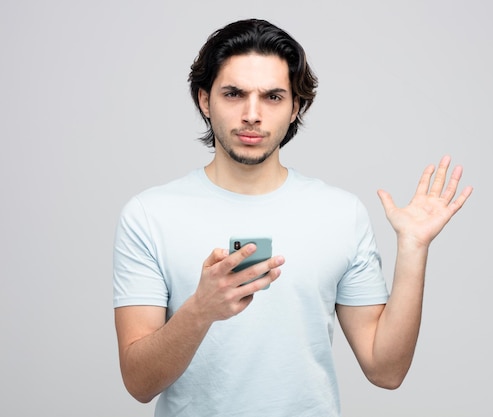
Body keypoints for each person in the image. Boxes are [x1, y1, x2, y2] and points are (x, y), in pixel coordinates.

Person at [113, 18, 472, 416]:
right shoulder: (150, 214)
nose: (252, 114)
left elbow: (385, 370)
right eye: (234, 94)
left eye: (272, 97)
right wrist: (201, 309)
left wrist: (414, 248)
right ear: (204, 99)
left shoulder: (340, 214)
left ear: (295, 107)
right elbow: (139, 383)